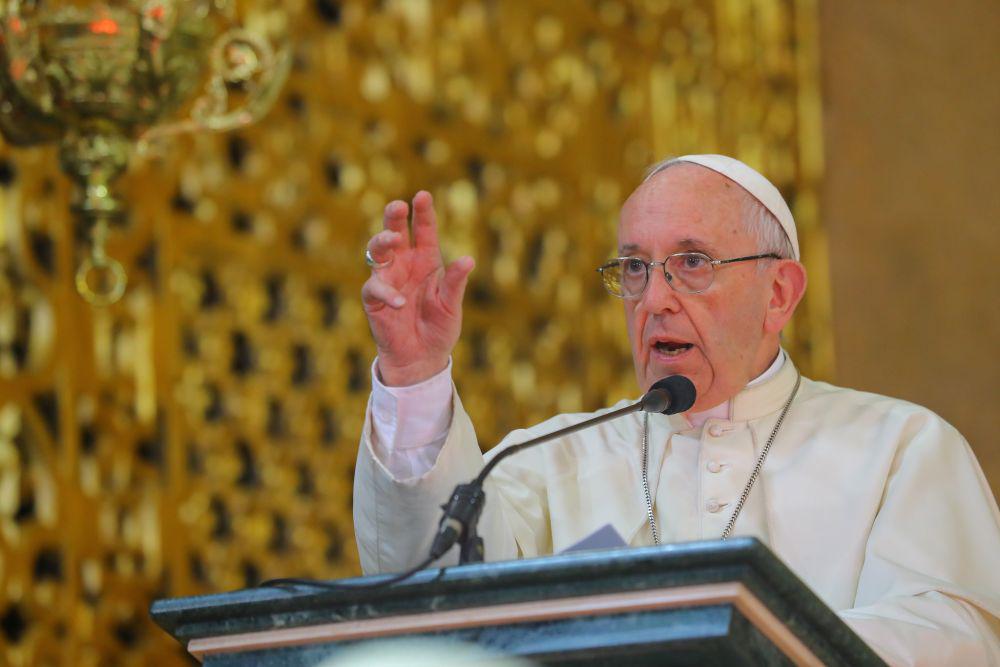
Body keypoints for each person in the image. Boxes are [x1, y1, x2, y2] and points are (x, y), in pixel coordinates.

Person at [353, 154, 1000, 665]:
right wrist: (414, 375)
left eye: (692, 262)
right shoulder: (550, 459)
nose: (654, 298)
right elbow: (433, 604)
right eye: (635, 268)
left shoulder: (901, 447)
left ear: (779, 293)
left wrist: (735, 643)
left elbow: (955, 639)